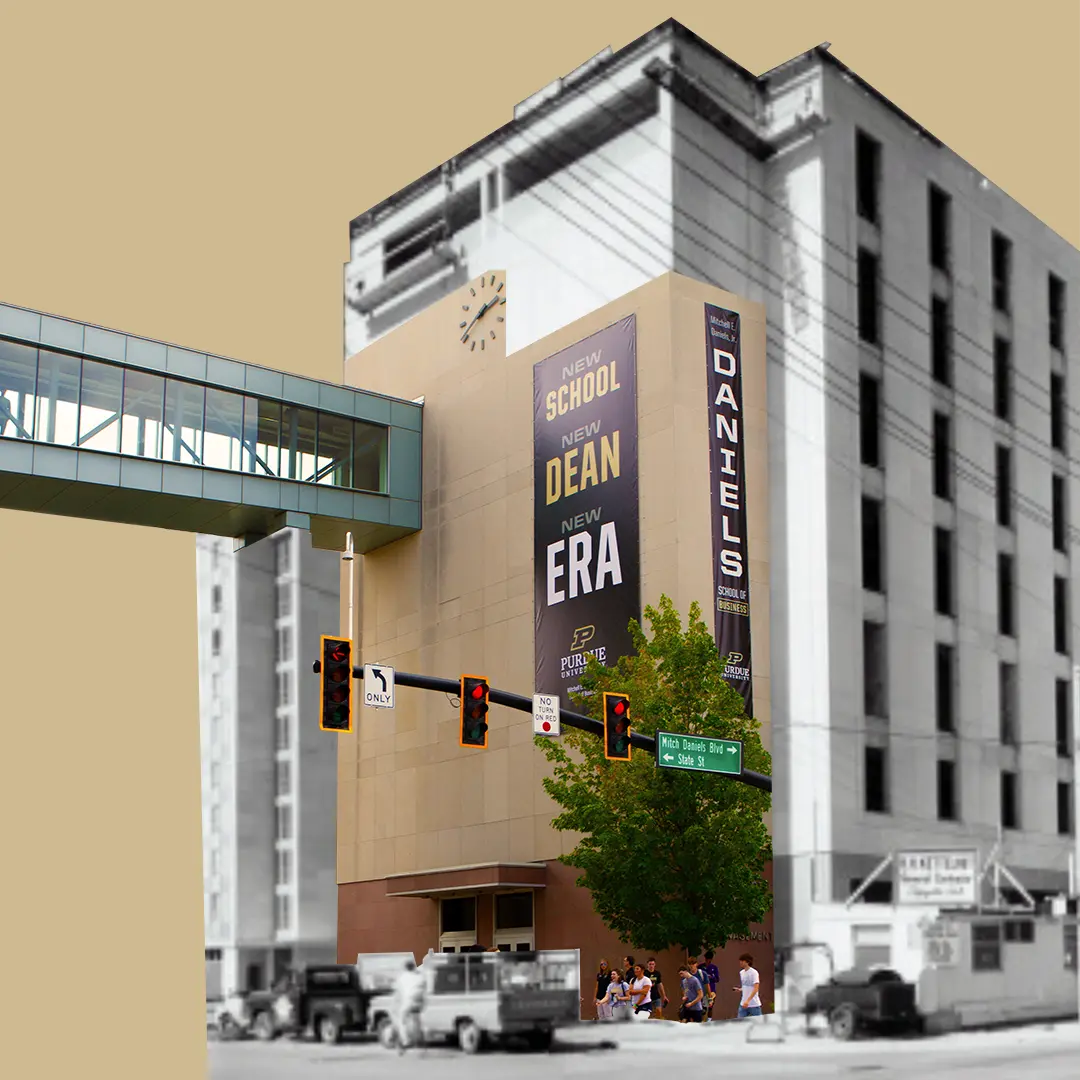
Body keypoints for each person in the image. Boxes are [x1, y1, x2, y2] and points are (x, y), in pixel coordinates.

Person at [391, 959, 426, 1053]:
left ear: (405, 968)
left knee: (400, 1019)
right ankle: (419, 1036)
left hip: (409, 1001)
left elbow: (397, 991)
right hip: (420, 1002)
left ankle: (406, 1041)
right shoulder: (421, 977)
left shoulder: (403, 977)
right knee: (416, 1019)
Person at [734, 953, 762, 1019]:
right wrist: (740, 989)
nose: (740, 962)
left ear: (747, 961)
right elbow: (746, 986)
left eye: (742, 961)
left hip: (754, 1004)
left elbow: (755, 988)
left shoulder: (754, 972)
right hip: (743, 1003)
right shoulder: (741, 973)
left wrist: (748, 1001)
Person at [701, 949, 720, 1021]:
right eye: (706, 959)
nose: (707, 961)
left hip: (712, 990)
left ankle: (709, 1021)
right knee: (704, 1006)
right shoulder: (701, 967)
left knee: (710, 1006)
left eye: (709, 959)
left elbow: (717, 979)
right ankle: (703, 1020)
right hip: (703, 990)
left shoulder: (714, 968)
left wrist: (711, 977)